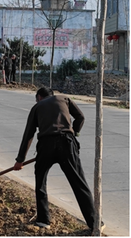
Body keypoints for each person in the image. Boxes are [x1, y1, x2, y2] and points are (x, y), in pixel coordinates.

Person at [13, 87, 101, 232]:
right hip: (67, 143)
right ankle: (94, 222)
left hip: (46, 145)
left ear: (39, 97)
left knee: (41, 181)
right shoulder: (64, 99)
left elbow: (29, 133)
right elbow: (80, 117)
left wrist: (20, 159)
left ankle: (43, 220)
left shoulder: (37, 107)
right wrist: (75, 133)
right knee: (78, 182)